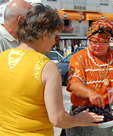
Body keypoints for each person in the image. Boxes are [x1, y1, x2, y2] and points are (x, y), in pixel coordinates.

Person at [0, 3, 104, 136]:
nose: (55, 41)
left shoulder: (2, 57)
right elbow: (58, 119)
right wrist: (79, 119)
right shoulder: (46, 67)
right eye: (55, 35)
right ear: (45, 34)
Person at [63, 20, 113, 136]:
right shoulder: (79, 58)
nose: (97, 46)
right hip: (85, 114)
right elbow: (74, 84)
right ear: (88, 39)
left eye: (103, 42)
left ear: (109, 41)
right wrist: (90, 93)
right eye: (93, 41)